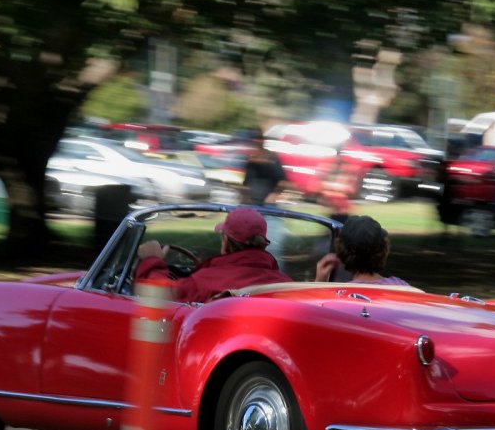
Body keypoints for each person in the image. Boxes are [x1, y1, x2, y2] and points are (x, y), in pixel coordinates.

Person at [134, 207, 290, 303]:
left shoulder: (203, 282)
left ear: (226, 241)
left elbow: (159, 297)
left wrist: (151, 260)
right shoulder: (285, 285)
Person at [314, 215, 410, 286]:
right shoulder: (401, 286)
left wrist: (319, 282)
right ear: (384, 250)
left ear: (341, 252)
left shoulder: (339, 295)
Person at [239, 128, 289, 205]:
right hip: (250, 202)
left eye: (260, 138)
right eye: (253, 138)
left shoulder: (271, 157)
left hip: (267, 203)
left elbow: (282, 180)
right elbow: (246, 181)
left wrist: (275, 194)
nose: (256, 141)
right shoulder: (248, 158)